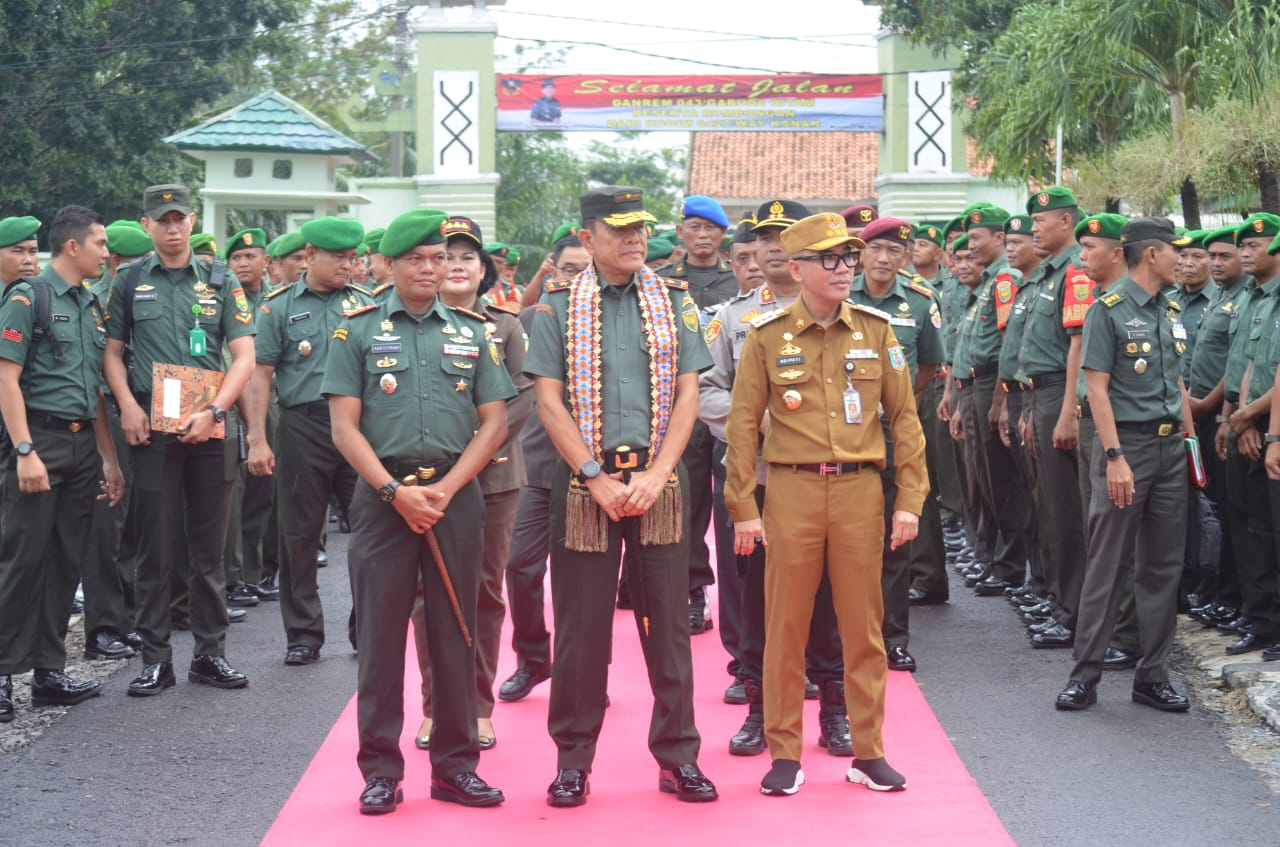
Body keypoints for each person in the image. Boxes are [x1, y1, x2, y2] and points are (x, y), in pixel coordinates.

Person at [526, 185, 717, 807]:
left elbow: (690, 393)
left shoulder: (675, 301)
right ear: (588, 238)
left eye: (640, 229)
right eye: (619, 229)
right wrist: (592, 473)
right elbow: (548, 400)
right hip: (587, 485)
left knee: (667, 627)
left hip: (659, 481)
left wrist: (660, 472)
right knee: (581, 632)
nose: (635, 238)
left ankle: (678, 757)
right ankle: (573, 761)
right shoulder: (557, 306)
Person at [725, 212, 927, 796]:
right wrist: (743, 505)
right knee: (784, 625)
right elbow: (742, 428)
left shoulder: (876, 330)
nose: (846, 270)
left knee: (864, 628)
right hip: (791, 490)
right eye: (831, 260)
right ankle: (784, 751)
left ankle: (869, 751)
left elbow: (906, 421)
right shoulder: (765, 336)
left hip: (861, 490)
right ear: (798, 268)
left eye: (849, 259)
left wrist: (909, 498)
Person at [324, 209, 512, 814]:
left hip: (454, 501)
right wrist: (393, 494)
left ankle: (456, 767)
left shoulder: (472, 330)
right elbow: (344, 428)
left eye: (439, 257)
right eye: (417, 259)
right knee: (380, 640)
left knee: (455, 634)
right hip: (384, 503)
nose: (431, 268)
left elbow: (495, 423)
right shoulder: (354, 330)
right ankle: (380, 769)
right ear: (388, 264)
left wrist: (449, 489)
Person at [103, 184, 256, 697]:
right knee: (155, 546)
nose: (171, 228)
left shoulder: (220, 277)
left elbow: (243, 357)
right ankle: (155, 658)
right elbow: (112, 353)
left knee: (209, 547)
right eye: (160, 220)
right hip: (152, 425)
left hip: (209, 424)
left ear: (192, 222)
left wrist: (215, 410)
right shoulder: (128, 281)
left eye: (179, 219)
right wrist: (126, 404)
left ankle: (211, 654)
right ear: (146, 225)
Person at [1056, 218, 1195, 712]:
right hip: (1126, 449)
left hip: (1168, 452)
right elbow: (1096, 389)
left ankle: (1152, 675)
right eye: (1175, 250)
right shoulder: (1108, 311)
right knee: (1108, 563)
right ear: (1152, 254)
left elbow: (1176, 380)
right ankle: (1084, 675)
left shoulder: (1170, 309)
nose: (1183, 258)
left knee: (1161, 567)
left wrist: (1190, 442)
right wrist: (1114, 458)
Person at [409, 216, 533, 750]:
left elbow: (523, 397)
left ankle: (479, 707)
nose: (455, 266)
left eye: (467, 259)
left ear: (485, 271)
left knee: (484, 593)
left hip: (493, 479)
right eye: (446, 256)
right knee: (425, 595)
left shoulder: (503, 326)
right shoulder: (406, 326)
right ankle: (436, 706)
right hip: (425, 482)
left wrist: (474, 454)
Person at [0, 206, 124, 723]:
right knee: (20, 560)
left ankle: (49, 671)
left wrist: (108, 459)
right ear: (72, 247)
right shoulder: (29, 297)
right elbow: (6, 379)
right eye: (99, 243)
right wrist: (25, 451)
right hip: (40, 442)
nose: (106, 252)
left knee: (65, 559)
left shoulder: (92, 305)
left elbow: (94, 391)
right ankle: (4, 674)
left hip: (78, 448)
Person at [699, 199, 812, 755]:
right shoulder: (730, 317)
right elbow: (705, 388)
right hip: (753, 476)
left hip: (821, 477)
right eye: (765, 235)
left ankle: (827, 697)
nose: (772, 244)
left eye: (785, 234)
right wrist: (751, 421)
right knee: (749, 591)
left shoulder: (843, 312)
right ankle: (756, 696)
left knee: (827, 592)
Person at [247, 217, 372, 667]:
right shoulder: (277, 306)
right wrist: (258, 438)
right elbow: (260, 375)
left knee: (368, 531)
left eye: (352, 257)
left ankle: (367, 629)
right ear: (311, 256)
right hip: (303, 426)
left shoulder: (366, 304)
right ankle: (302, 634)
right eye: (338, 257)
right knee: (298, 533)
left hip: (358, 429)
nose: (348, 265)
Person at [498, 234, 591, 704]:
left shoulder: (608, 321)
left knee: (583, 579)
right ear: (552, 271)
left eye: (585, 269)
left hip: (593, 470)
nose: (577, 279)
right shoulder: (528, 321)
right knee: (521, 567)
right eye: (570, 269)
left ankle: (587, 670)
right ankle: (533, 659)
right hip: (534, 463)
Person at [847, 218, 944, 673]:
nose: (884, 259)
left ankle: (893, 638)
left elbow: (928, 363)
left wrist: (899, 402)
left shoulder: (922, 303)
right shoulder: (840, 293)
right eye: (876, 250)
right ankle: (841, 637)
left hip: (891, 431)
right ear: (861, 253)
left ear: (906, 258)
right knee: (844, 535)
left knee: (896, 535)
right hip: (843, 432)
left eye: (894, 251)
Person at [660, 195, 740, 634]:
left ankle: (741, 598)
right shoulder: (659, 282)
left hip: (730, 405)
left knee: (733, 503)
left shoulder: (740, 282)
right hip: (682, 408)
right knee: (687, 506)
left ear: (723, 235)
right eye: (694, 227)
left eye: (711, 229)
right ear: (681, 232)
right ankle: (694, 593)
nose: (703, 236)